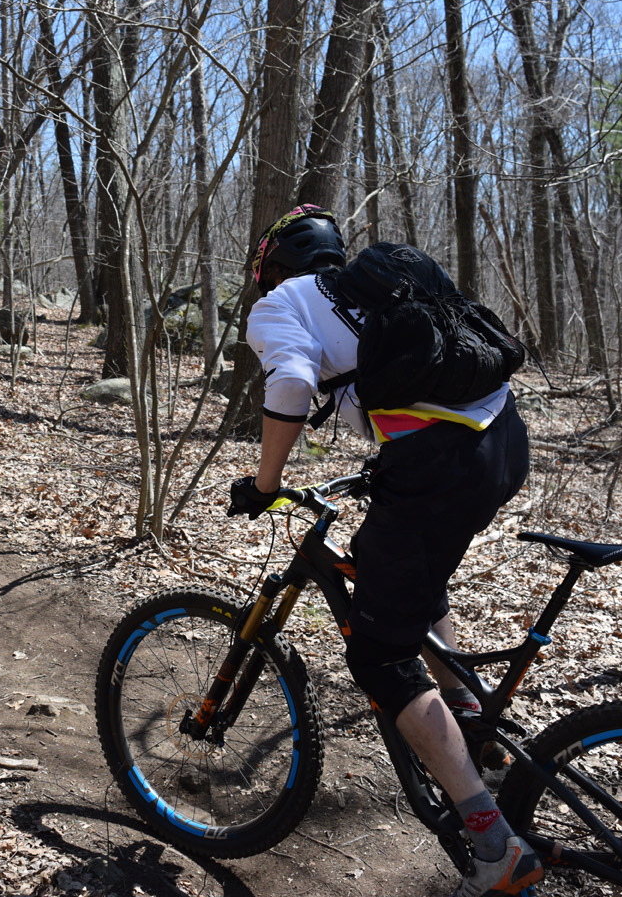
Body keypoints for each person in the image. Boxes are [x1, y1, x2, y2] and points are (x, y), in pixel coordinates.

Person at [228, 204, 539, 897]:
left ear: (271, 270)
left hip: (440, 463)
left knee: (378, 654)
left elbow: (290, 386)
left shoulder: (280, 305)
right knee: (400, 575)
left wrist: (264, 483)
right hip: (505, 440)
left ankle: (494, 846)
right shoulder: (373, 295)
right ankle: (472, 731)